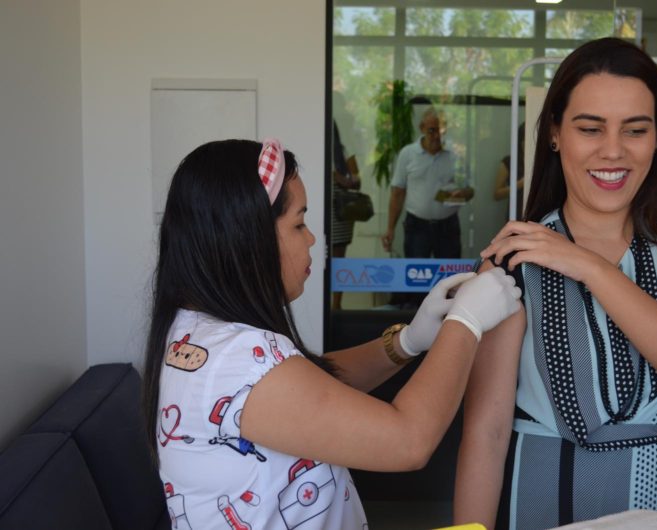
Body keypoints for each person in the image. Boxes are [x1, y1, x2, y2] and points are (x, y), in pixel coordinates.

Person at [142, 138, 522, 530]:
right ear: (246, 238)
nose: (311, 238)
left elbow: (309, 388)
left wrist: (407, 341)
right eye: (298, 224)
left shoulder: (199, 332)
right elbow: (408, 440)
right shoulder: (236, 360)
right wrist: (465, 323)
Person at [453, 38, 657, 530]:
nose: (613, 150)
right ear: (555, 133)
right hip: (538, 505)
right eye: (590, 128)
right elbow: (486, 432)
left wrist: (591, 266)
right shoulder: (515, 258)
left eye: (635, 130)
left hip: (653, 513)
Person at [381, 106, 474, 308]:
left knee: (450, 280)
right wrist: (390, 228)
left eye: (441, 130)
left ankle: (448, 320)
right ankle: (416, 320)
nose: (437, 135)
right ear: (422, 128)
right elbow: (397, 193)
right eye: (432, 130)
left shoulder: (454, 155)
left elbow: (470, 190)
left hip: (448, 226)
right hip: (417, 225)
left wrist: (462, 193)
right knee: (416, 279)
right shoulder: (408, 154)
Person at [331, 120, 360, 310]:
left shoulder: (344, 152)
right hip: (320, 211)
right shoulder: (314, 148)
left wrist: (338, 177)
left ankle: (336, 305)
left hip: (340, 213)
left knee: (338, 260)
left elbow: (357, 181)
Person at [493, 123, 526, 220]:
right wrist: (520, 184)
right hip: (516, 216)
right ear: (521, 142)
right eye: (526, 140)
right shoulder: (510, 161)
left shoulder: (542, 162)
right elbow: (497, 194)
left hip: (538, 217)